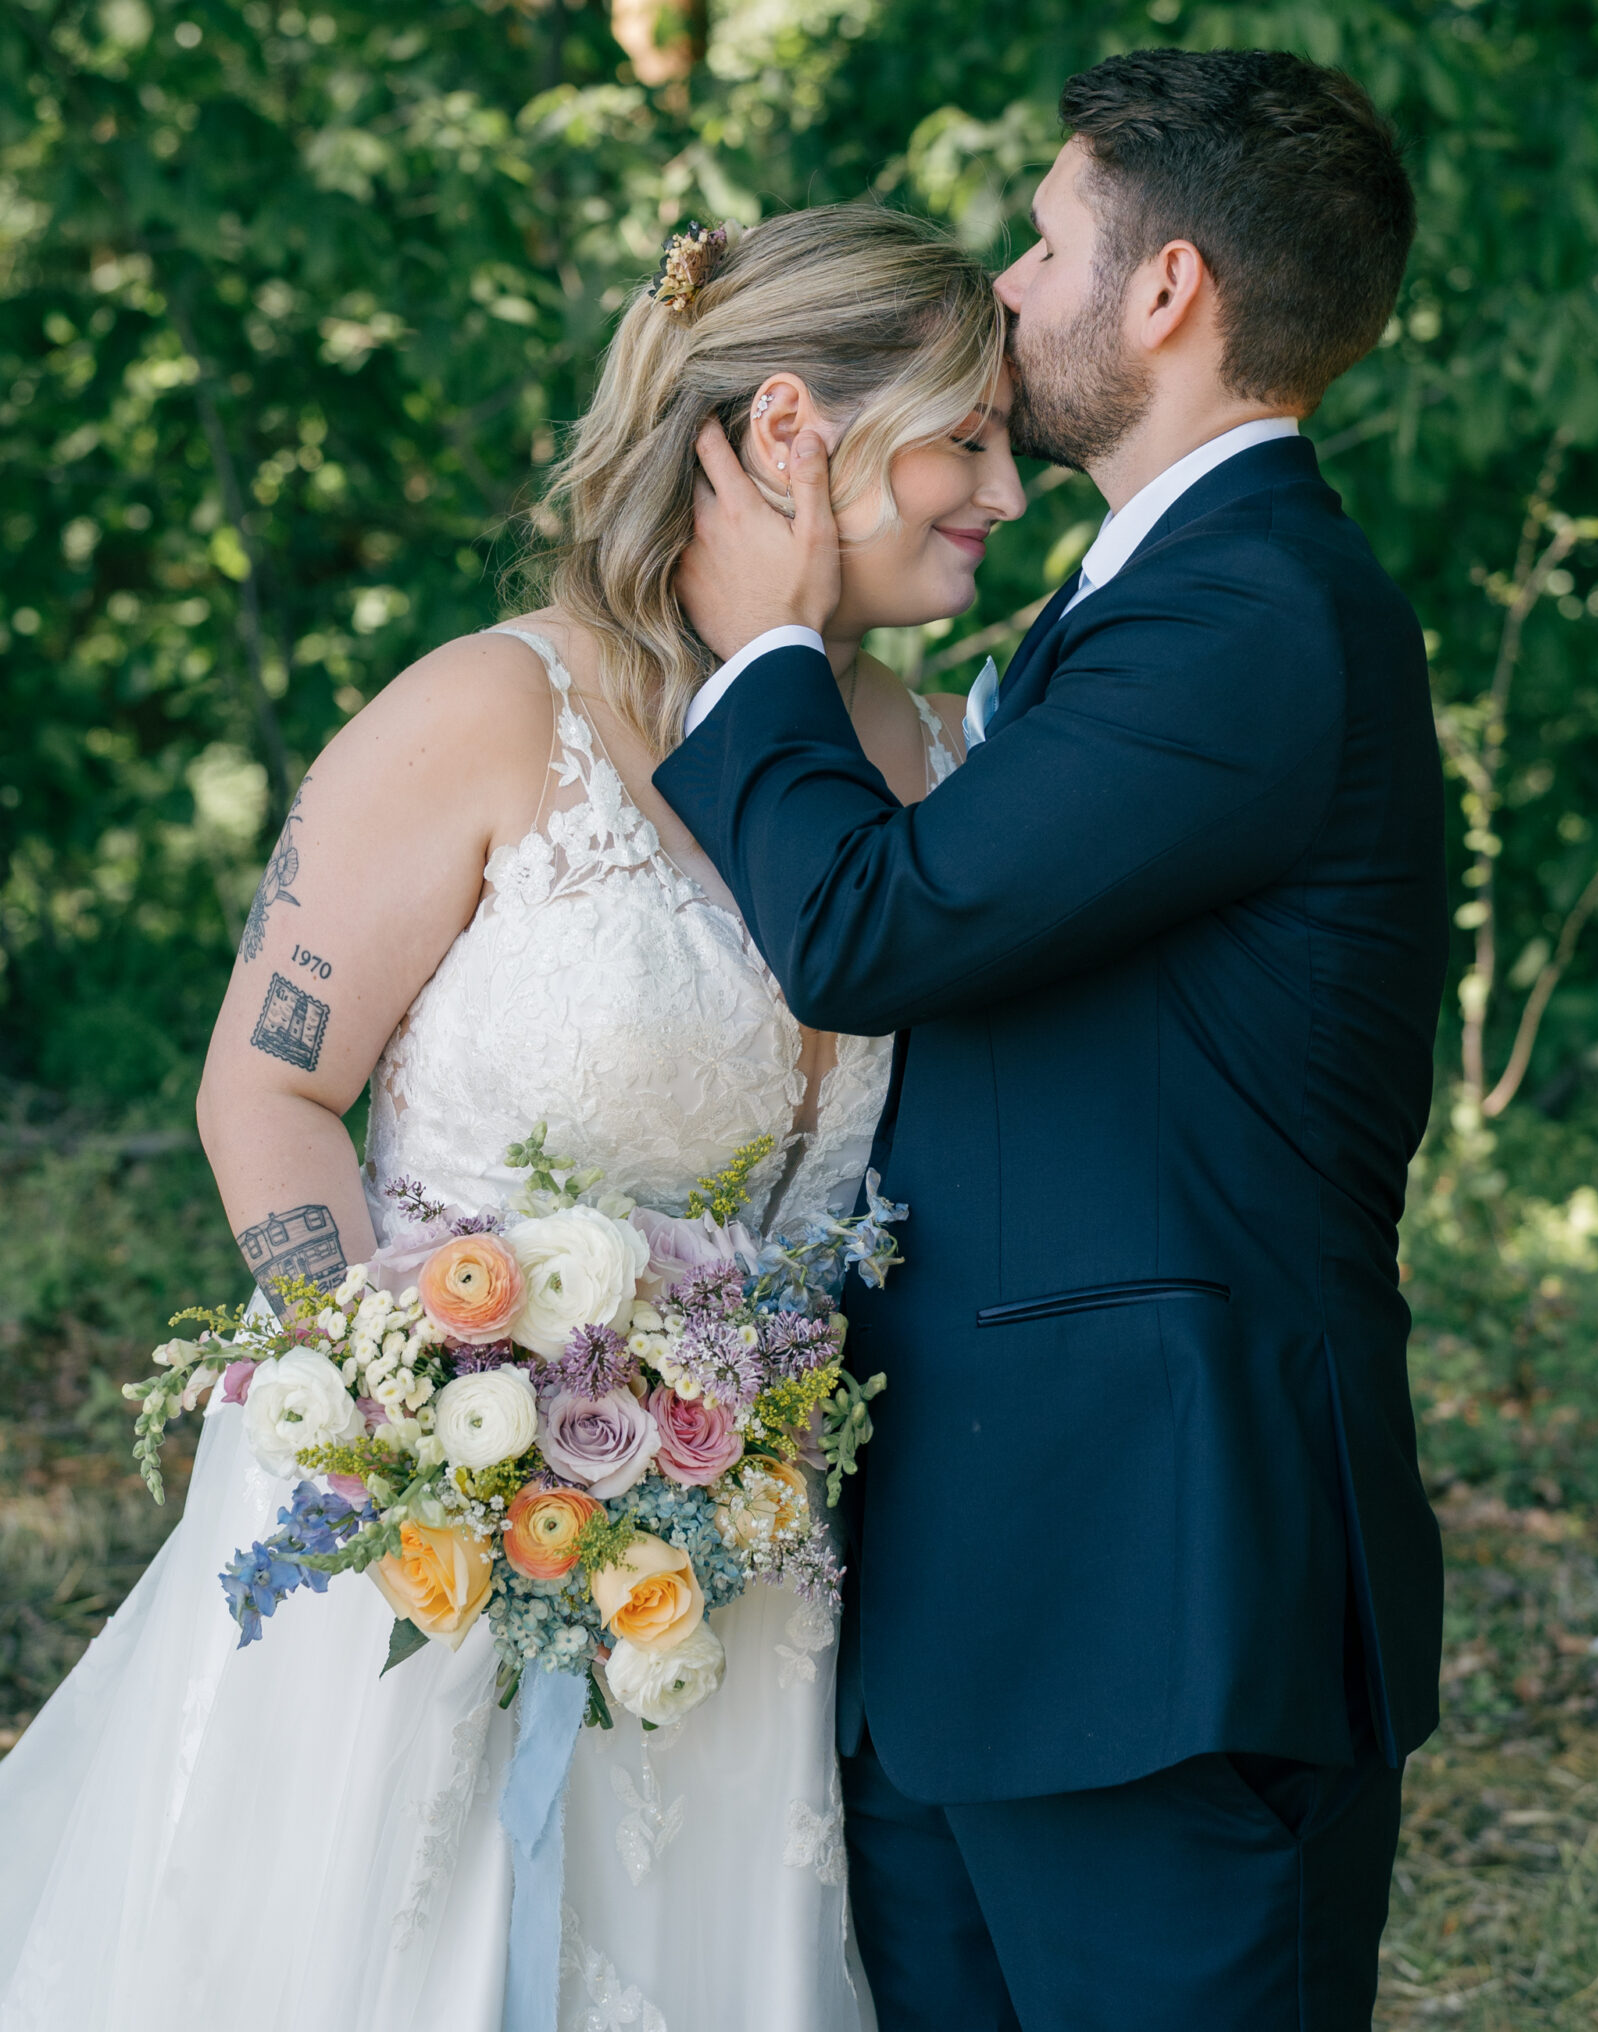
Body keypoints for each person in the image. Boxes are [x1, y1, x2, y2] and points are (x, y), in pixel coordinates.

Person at [0, 205, 1023, 2032]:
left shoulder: (945, 765)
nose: (1008, 490)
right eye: (968, 436)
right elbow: (269, 1081)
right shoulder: (494, 709)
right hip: (430, 1546)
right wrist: (405, 1406)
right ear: (791, 432)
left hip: (755, 1579)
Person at [656, 48, 1450, 2032]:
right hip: (1002, 1603)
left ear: (1164, 289)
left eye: (1039, 239)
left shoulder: (1247, 621)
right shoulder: (1131, 613)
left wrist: (759, 631)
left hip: (1167, 1607)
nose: (1007, 290)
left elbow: (867, 926)